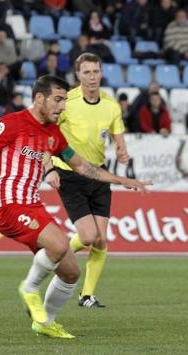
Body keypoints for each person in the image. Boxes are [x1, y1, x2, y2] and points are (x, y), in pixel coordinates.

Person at [0, 75, 149, 339]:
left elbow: (81, 166)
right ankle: (29, 288)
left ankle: (45, 322)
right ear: (39, 98)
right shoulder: (11, 123)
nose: (62, 107)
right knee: (59, 245)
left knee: (71, 272)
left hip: (32, 206)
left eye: (65, 101)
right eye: (58, 100)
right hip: (6, 204)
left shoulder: (53, 134)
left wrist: (119, 180)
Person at [49, 53, 131, 309]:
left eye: (95, 71)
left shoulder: (111, 105)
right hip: (70, 174)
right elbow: (48, 131)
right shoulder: (67, 101)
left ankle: (87, 295)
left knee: (101, 240)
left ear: (101, 73)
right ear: (78, 76)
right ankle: (49, 258)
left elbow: (118, 137)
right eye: (87, 72)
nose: (92, 77)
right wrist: (48, 167)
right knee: (86, 236)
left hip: (98, 174)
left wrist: (121, 150)